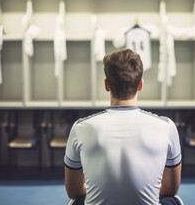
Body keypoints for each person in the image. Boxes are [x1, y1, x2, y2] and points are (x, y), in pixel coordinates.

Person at [64, 49, 183, 205]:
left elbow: (74, 191)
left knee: (75, 201)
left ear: (107, 85)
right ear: (140, 85)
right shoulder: (167, 127)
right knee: (174, 200)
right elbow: (170, 189)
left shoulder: (81, 128)